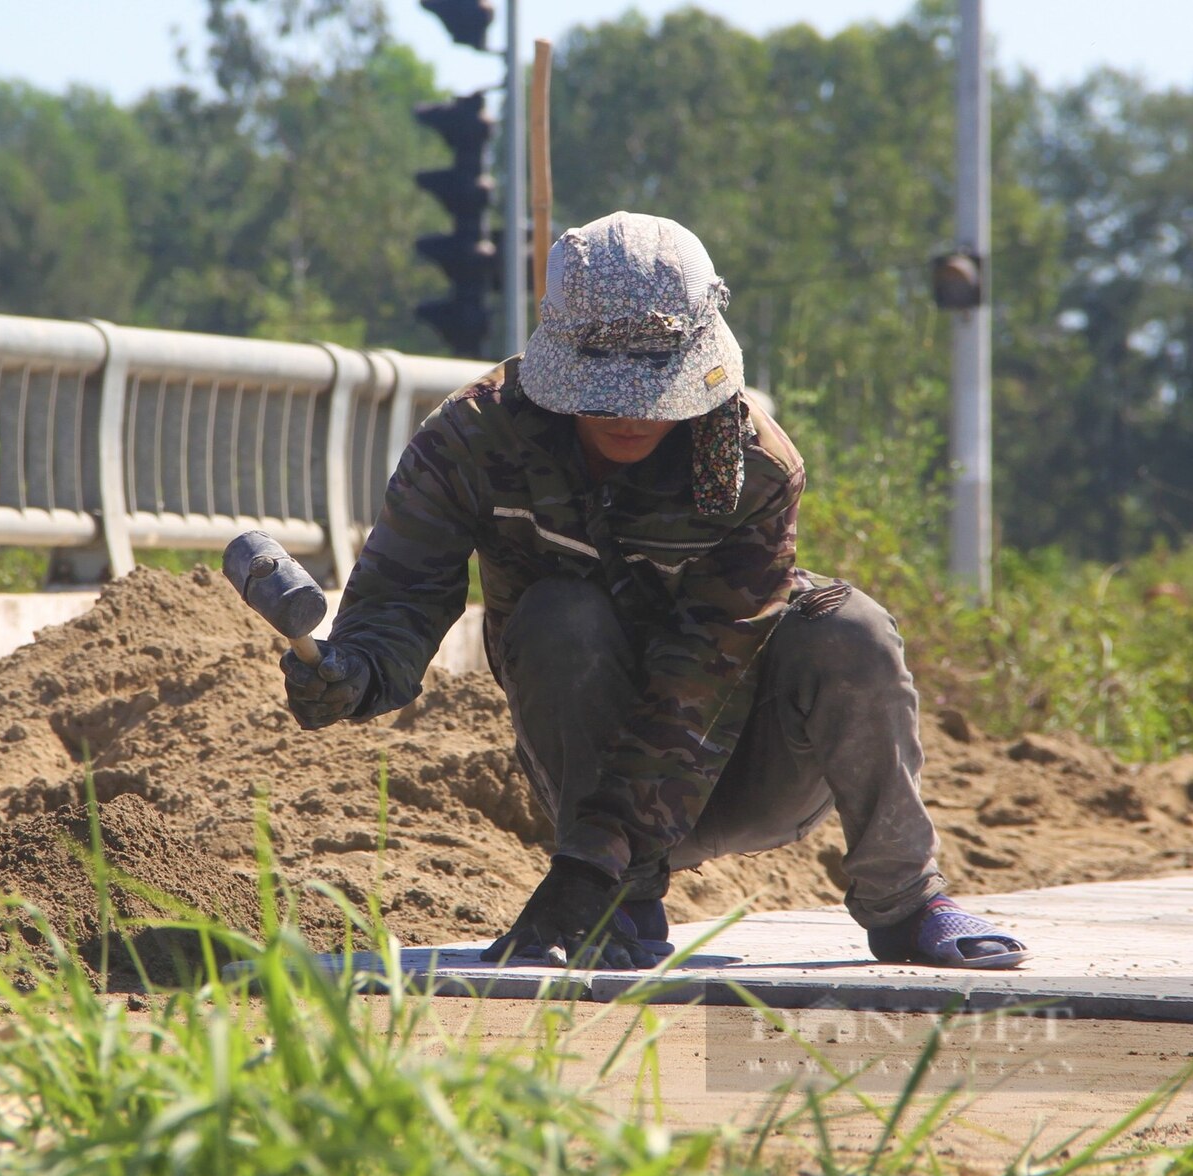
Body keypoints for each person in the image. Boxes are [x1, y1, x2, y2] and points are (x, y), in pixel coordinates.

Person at [283, 211, 1028, 972]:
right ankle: (623, 903)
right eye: (602, 392)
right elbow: (402, 592)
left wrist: (586, 864)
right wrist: (355, 671)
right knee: (557, 611)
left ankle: (907, 899)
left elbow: (703, 676)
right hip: (584, 758)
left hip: (741, 759)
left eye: (651, 390)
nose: (628, 414)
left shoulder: (753, 468)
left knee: (853, 628)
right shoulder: (474, 441)